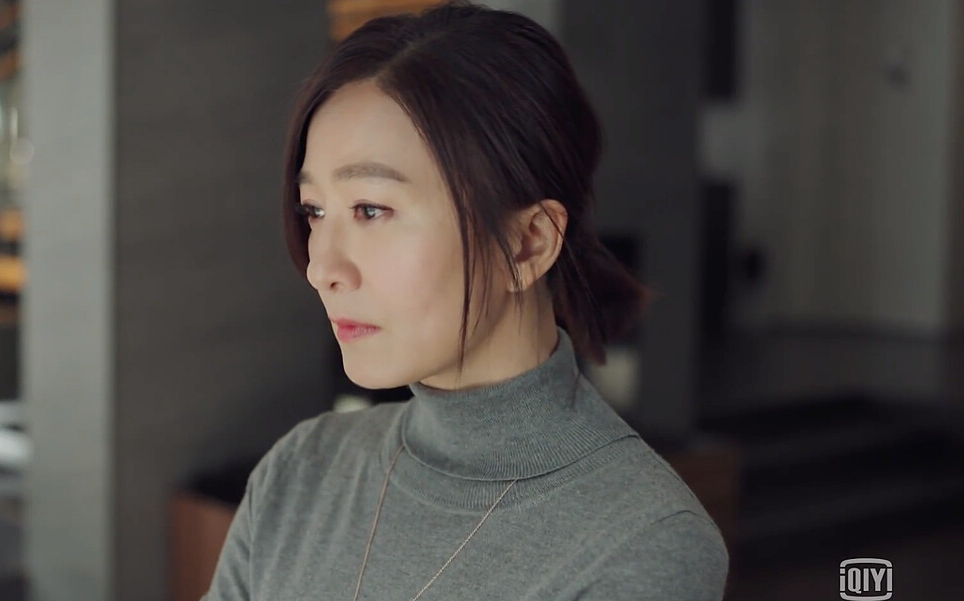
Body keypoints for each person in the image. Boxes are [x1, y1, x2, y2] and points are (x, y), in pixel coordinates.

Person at [202, 1, 729, 599]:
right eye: (315, 210)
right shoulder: (300, 472)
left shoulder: (644, 540)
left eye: (371, 209)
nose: (322, 267)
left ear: (528, 244)